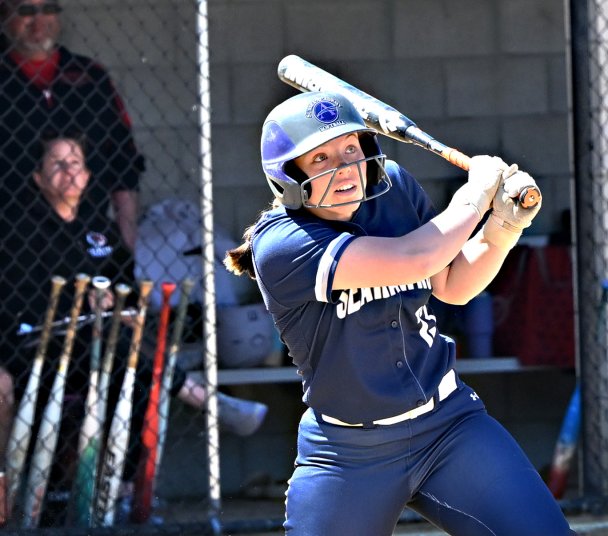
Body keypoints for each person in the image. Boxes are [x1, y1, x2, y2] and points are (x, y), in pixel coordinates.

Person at [224, 91, 575, 535]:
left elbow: (451, 284)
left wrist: (504, 227)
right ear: (287, 177)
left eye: (351, 149)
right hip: (349, 452)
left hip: (449, 428)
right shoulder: (283, 243)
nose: (344, 168)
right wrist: (475, 195)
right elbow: (415, 257)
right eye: (321, 159)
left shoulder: (392, 188)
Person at [0, 133, 267, 525]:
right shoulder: (20, 233)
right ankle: (211, 401)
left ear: (89, 175)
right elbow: (19, 302)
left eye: (75, 162)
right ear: (39, 177)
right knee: (132, 358)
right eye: (56, 163)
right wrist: (80, 298)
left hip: (95, 344)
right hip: (37, 343)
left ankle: (122, 493)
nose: (67, 171)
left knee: (138, 372)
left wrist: (113, 305)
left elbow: (125, 291)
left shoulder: (100, 232)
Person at [0, 0, 142, 250]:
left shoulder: (90, 76)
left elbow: (124, 161)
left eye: (49, 9)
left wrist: (126, 239)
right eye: (26, 11)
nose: (39, 21)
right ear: (4, 14)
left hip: (86, 235)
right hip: (11, 240)